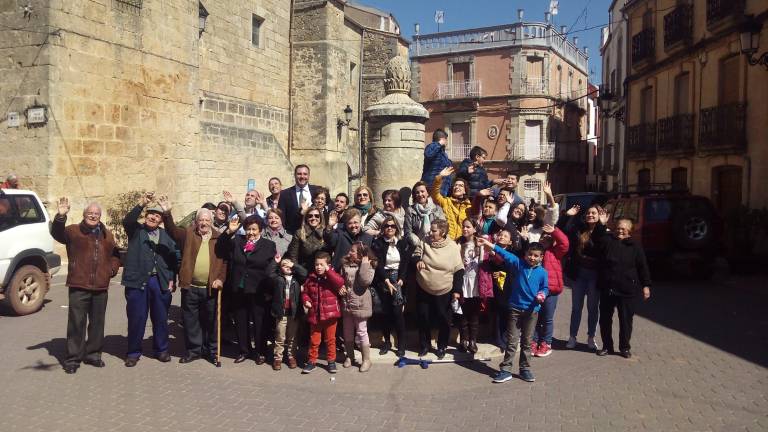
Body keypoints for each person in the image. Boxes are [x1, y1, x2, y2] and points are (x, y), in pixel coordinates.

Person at [51, 198, 121, 374]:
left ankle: (93, 354)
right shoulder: (73, 231)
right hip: (79, 285)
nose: (93, 216)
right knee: (76, 323)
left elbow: (115, 254)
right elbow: (57, 234)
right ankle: (73, 358)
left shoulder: (107, 234)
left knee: (97, 324)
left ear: (100, 216)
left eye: (96, 214)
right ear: (84, 215)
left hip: (100, 287)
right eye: (90, 213)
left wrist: (111, 269)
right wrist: (60, 216)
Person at [158, 197, 227, 365]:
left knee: (211, 322)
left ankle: (211, 351)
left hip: (211, 288)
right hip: (191, 287)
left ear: (212, 222)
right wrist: (167, 214)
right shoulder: (188, 233)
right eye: (200, 220)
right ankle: (194, 350)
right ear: (196, 222)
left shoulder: (219, 237)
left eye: (206, 220)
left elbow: (225, 262)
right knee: (190, 321)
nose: (203, 223)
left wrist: (220, 279)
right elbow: (172, 230)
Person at [478, 237, 548, 384]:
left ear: (541, 257)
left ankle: (525, 369)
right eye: (530, 254)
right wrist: (489, 244)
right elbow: (504, 254)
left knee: (527, 342)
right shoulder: (518, 264)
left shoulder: (542, 273)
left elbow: (545, 287)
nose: (532, 258)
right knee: (511, 341)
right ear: (525, 254)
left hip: (531, 311)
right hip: (515, 309)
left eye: (536, 256)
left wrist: (542, 294)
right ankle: (506, 370)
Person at [121, 192, 179, 367]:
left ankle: (161, 350)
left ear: (161, 220)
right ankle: (133, 352)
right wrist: (140, 204)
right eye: (150, 214)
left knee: (160, 318)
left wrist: (172, 278)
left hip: (159, 281)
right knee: (136, 318)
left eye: (157, 215)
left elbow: (175, 258)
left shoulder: (167, 235)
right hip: (137, 281)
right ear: (145, 216)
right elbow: (127, 221)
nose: (153, 217)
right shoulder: (136, 231)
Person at [217, 215, 277, 365]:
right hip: (239, 288)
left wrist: (270, 289)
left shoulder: (269, 245)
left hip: (258, 290)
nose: (250, 232)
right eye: (248, 229)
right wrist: (229, 231)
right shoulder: (238, 241)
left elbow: (271, 268)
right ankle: (244, 350)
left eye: (254, 229)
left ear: (261, 231)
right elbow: (221, 246)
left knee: (259, 322)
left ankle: (260, 352)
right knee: (241, 321)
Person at [593, 215, 652, 359]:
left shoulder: (635, 246)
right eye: (618, 228)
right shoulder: (607, 240)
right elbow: (596, 237)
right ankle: (607, 346)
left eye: (624, 229)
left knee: (626, 320)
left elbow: (642, 267)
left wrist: (646, 285)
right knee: (605, 319)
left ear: (630, 231)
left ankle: (624, 347)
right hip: (608, 287)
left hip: (627, 289)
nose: (620, 231)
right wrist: (601, 224)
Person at [413, 219, 464, 359]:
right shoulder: (424, 241)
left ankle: (442, 346)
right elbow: (416, 254)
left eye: (434, 230)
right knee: (423, 317)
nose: (430, 232)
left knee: (444, 319)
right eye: (431, 230)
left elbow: (459, 270)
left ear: (443, 232)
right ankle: (424, 345)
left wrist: (457, 290)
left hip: (444, 288)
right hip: (424, 286)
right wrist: (418, 260)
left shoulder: (452, 246)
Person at [561, 204, 603, 351]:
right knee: (576, 308)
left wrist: (602, 226)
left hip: (595, 275)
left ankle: (591, 337)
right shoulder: (579, 230)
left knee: (593, 308)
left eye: (594, 213)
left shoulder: (603, 232)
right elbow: (562, 230)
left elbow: (602, 246)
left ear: (600, 215)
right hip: (579, 274)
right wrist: (567, 215)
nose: (590, 215)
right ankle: (572, 337)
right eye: (588, 213)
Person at [371, 215, 412, 357]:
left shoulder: (402, 242)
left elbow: (405, 263)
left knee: (398, 312)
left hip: (398, 278)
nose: (390, 228)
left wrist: (401, 279)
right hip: (383, 278)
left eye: (392, 226)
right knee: (385, 312)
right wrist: (386, 280)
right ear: (383, 228)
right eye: (387, 226)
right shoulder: (378, 243)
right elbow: (378, 264)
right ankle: (387, 342)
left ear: (396, 228)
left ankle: (401, 344)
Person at [301, 251, 344, 374]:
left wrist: (328, 271)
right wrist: (306, 300)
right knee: (314, 340)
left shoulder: (332, 276)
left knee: (330, 340)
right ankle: (312, 361)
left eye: (321, 264)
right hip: (315, 314)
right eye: (316, 264)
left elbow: (339, 282)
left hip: (330, 315)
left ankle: (331, 361)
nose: (318, 267)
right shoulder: (311, 278)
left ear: (328, 265)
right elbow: (305, 292)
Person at [531, 224, 569, 358]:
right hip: (536, 291)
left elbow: (564, 243)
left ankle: (546, 343)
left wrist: (555, 231)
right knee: (535, 317)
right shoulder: (535, 253)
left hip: (551, 291)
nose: (545, 239)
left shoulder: (555, 252)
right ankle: (534, 341)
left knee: (547, 318)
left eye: (549, 237)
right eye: (543, 237)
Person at [339, 242, 376, 372]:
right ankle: (350, 356)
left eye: (353, 251)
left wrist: (365, 263)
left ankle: (366, 360)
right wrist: (341, 287)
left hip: (360, 303)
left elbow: (365, 281)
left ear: (361, 253)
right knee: (347, 331)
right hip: (347, 302)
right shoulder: (345, 264)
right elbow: (341, 280)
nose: (350, 253)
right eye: (350, 251)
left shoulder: (369, 264)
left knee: (361, 332)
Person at [270, 258, 308, 370]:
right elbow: (269, 274)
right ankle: (278, 358)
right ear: (280, 268)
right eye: (284, 265)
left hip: (294, 313)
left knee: (292, 336)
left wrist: (293, 264)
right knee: (280, 336)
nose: (288, 267)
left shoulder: (297, 279)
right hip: (281, 312)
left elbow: (304, 273)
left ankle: (291, 356)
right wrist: (275, 262)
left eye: (289, 265)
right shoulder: (277, 278)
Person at [455, 219, 484, 353]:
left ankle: (473, 340)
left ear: (474, 229)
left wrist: (480, 248)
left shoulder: (480, 243)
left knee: (474, 314)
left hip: (475, 282)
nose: (465, 229)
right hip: (462, 281)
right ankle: (463, 339)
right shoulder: (458, 243)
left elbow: (483, 262)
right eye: (463, 226)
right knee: (462, 313)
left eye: (468, 227)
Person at [430, 166, 472, 240]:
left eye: (461, 185)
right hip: (448, 241)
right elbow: (435, 194)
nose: (457, 187)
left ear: (465, 190)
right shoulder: (445, 202)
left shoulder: (469, 206)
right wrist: (440, 177)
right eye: (455, 185)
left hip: (462, 242)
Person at [278, 165, 321, 234]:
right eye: (299, 174)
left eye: (305, 174)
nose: (302, 176)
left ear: (309, 175)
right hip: (292, 234)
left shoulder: (317, 190)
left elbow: (328, 207)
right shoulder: (285, 194)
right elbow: (281, 216)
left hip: (315, 234)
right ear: (294, 175)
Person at [404, 181, 445, 248]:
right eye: (417, 192)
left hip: (435, 245)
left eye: (422, 191)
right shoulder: (410, 210)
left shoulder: (437, 209)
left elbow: (443, 228)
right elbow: (408, 232)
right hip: (417, 246)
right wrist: (417, 243)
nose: (420, 194)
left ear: (427, 193)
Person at [285, 206, 327, 271]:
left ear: (320, 218)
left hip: (322, 270)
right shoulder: (299, 233)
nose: (313, 218)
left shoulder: (326, 232)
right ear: (306, 218)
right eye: (310, 216)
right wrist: (299, 271)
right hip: (304, 270)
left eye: (317, 216)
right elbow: (293, 255)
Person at [421, 129, 452, 197]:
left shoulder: (443, 153)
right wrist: (439, 144)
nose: (447, 143)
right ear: (443, 139)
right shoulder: (432, 146)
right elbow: (428, 154)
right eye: (446, 140)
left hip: (442, 190)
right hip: (431, 187)